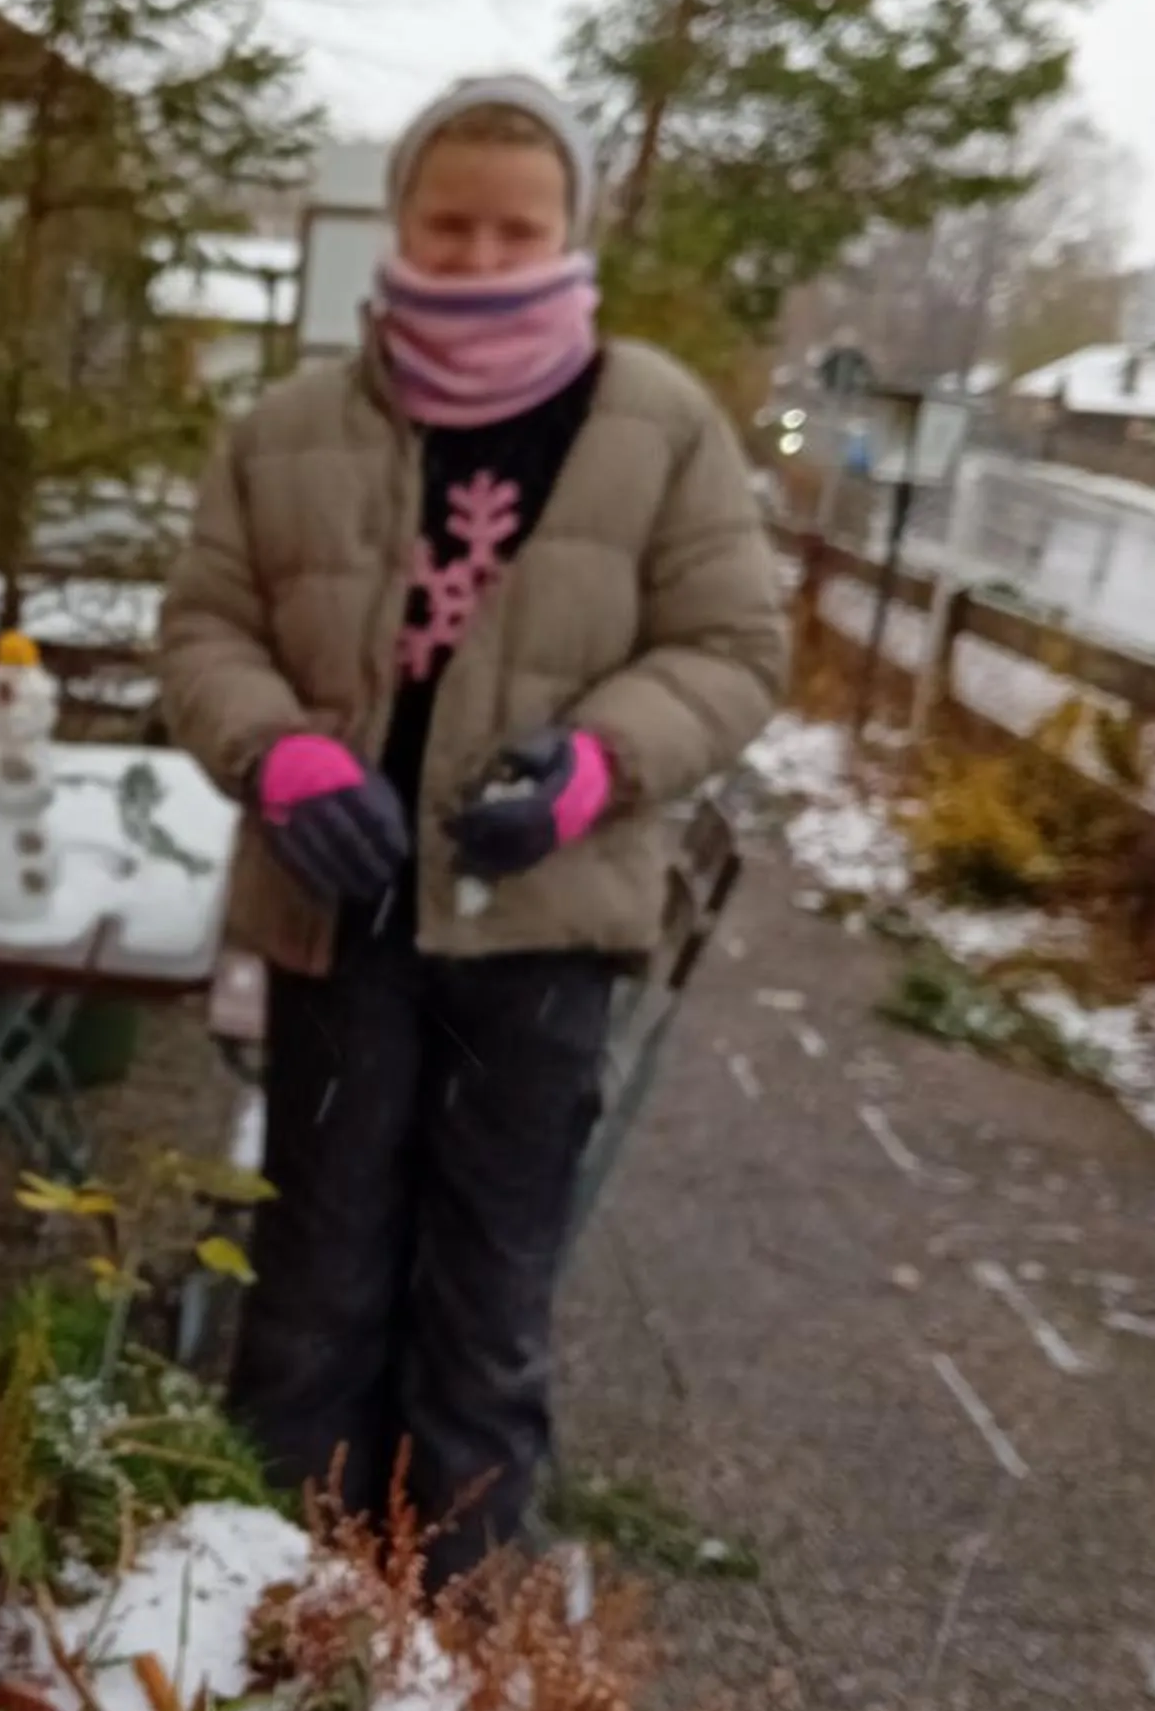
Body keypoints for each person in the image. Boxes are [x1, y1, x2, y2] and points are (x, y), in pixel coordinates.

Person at [160, 76, 785, 1580]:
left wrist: (592, 766)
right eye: (451, 222)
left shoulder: (657, 425)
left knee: (486, 1300)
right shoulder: (289, 426)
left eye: (521, 226)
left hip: (539, 941)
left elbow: (732, 648)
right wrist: (283, 755)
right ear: (401, 225)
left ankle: (450, 1639)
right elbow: (202, 629)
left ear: (568, 231)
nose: (484, 253)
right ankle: (274, 1615)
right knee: (312, 1287)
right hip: (336, 925)